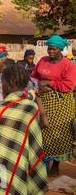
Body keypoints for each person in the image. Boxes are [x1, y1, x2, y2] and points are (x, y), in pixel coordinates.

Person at [0, 64, 48, 195]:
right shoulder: (31, 107)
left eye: (2, 82)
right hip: (23, 162)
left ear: (9, 83)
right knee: (20, 188)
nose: (2, 86)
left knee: (1, 191)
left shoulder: (1, 108)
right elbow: (36, 137)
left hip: (1, 164)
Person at [31, 35, 76, 176]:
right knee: (42, 131)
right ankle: (42, 164)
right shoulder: (43, 61)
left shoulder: (68, 65)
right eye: (49, 49)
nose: (50, 51)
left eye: (53, 49)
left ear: (60, 50)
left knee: (59, 133)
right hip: (42, 101)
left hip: (61, 103)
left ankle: (55, 165)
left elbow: (70, 85)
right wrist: (38, 85)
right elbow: (34, 76)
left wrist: (50, 84)